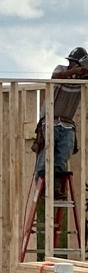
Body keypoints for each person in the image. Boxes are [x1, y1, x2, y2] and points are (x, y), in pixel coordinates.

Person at [35, 46, 88, 187]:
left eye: (74, 62)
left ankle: (56, 186)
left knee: (63, 156)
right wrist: (75, 71)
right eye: (70, 62)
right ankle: (42, 186)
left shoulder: (83, 80)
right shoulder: (61, 69)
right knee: (46, 155)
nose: (70, 64)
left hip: (67, 124)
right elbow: (56, 77)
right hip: (50, 120)